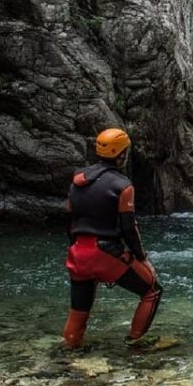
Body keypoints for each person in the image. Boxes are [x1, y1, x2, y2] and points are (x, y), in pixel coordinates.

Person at [62, 128, 163, 349]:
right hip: (105, 253)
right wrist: (142, 258)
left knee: (79, 308)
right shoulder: (123, 186)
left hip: (78, 252)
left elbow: (69, 219)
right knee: (152, 290)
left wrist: (74, 247)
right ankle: (135, 342)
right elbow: (129, 228)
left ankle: (69, 351)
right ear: (121, 154)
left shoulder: (77, 181)